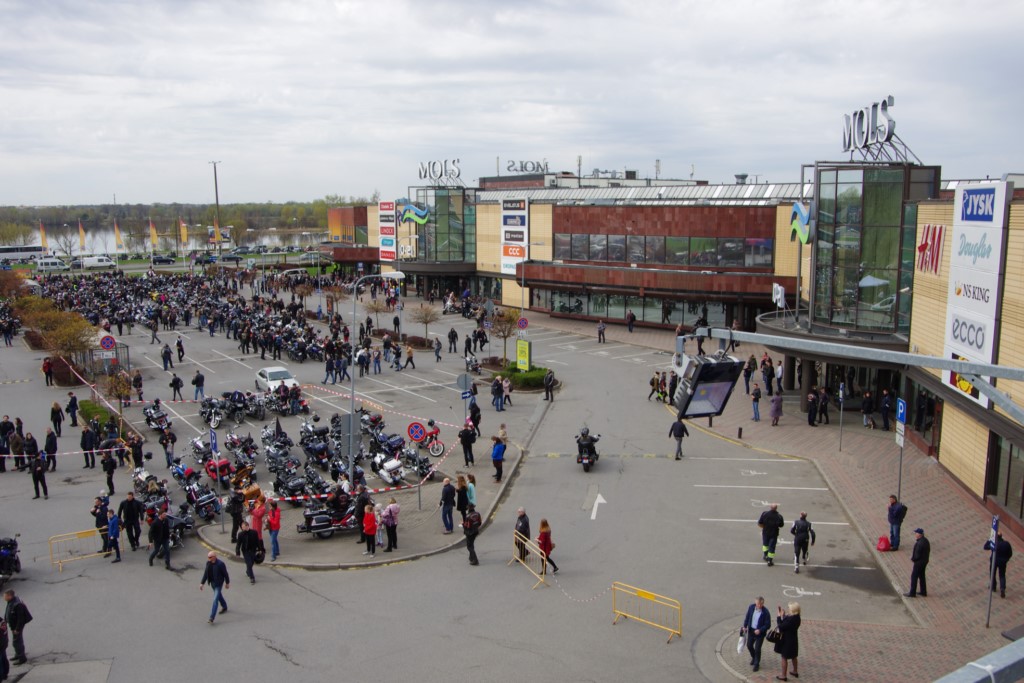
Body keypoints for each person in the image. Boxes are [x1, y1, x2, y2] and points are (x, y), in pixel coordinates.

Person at [740, 596, 771, 673]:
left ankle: (756, 664)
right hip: (751, 631)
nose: (759, 606)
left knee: (757, 649)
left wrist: (760, 630)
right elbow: (747, 617)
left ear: (763, 604)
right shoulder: (751, 607)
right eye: (758, 604)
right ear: (755, 603)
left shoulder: (766, 612)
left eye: (761, 604)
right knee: (749, 645)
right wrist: (745, 626)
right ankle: (754, 657)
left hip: (760, 633)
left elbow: (768, 625)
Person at [200, 551, 230, 623]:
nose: (208, 558)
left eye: (210, 557)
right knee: (219, 595)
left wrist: (227, 583)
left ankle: (211, 617)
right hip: (212, 583)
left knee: (215, 600)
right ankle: (224, 606)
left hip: (218, 584)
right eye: (208, 557)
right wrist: (202, 583)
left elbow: (225, 574)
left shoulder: (220, 564)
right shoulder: (208, 563)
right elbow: (206, 574)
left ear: (214, 557)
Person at [3, 589, 31, 666]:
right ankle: (17, 654)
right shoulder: (11, 601)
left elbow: (20, 619)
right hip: (13, 626)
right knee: (16, 641)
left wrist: (17, 629)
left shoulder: (17, 605)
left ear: (10, 596)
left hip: (17, 627)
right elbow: (8, 611)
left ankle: (22, 658)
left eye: (5, 596)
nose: (4, 598)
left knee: (17, 642)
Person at [774, 602, 801, 681]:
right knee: (793, 656)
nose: (788, 609)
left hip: (787, 641)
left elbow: (781, 626)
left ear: (793, 610)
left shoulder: (791, 620)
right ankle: (795, 671)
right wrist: (783, 615)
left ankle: (783, 675)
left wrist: (779, 617)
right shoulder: (797, 617)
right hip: (793, 639)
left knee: (784, 657)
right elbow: (786, 622)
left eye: (790, 608)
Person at [984, 532, 1013, 598]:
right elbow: (1010, 553)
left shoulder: (993, 544)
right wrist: (1006, 559)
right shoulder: (1006, 544)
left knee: (992, 574)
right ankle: (1002, 588)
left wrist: (989, 540)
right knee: (1002, 575)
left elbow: (985, 547)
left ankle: (993, 587)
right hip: (1002, 562)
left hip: (994, 561)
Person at [905, 528, 930, 597]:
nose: (915, 534)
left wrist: (913, 559)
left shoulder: (919, 543)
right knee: (922, 576)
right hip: (924, 561)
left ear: (919, 534)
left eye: (916, 533)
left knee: (914, 576)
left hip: (919, 562)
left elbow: (917, 554)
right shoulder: (925, 540)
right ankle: (923, 591)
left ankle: (912, 593)